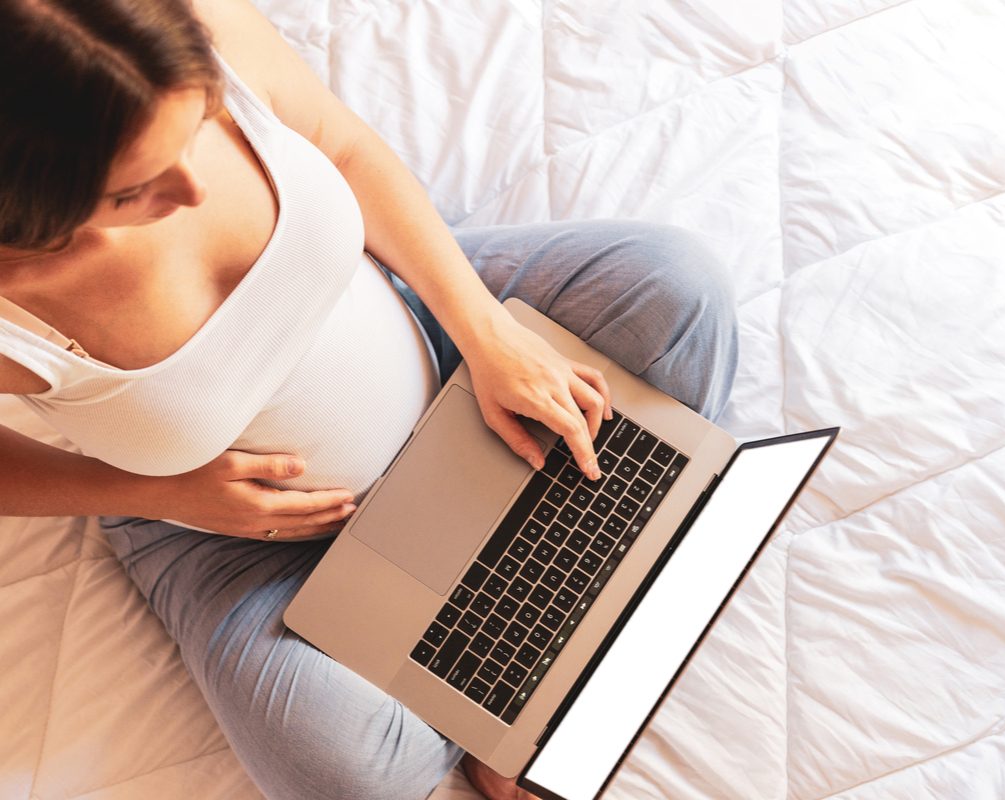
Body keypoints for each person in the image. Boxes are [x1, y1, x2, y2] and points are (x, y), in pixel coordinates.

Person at [0, 0, 738, 798]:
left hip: (428, 335)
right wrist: (161, 491)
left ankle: (511, 673)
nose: (192, 187)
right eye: (133, 192)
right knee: (343, 771)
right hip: (246, 534)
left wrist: (485, 330)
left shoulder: (185, 28)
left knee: (678, 285)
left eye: (200, 125)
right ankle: (515, 662)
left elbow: (342, 144)